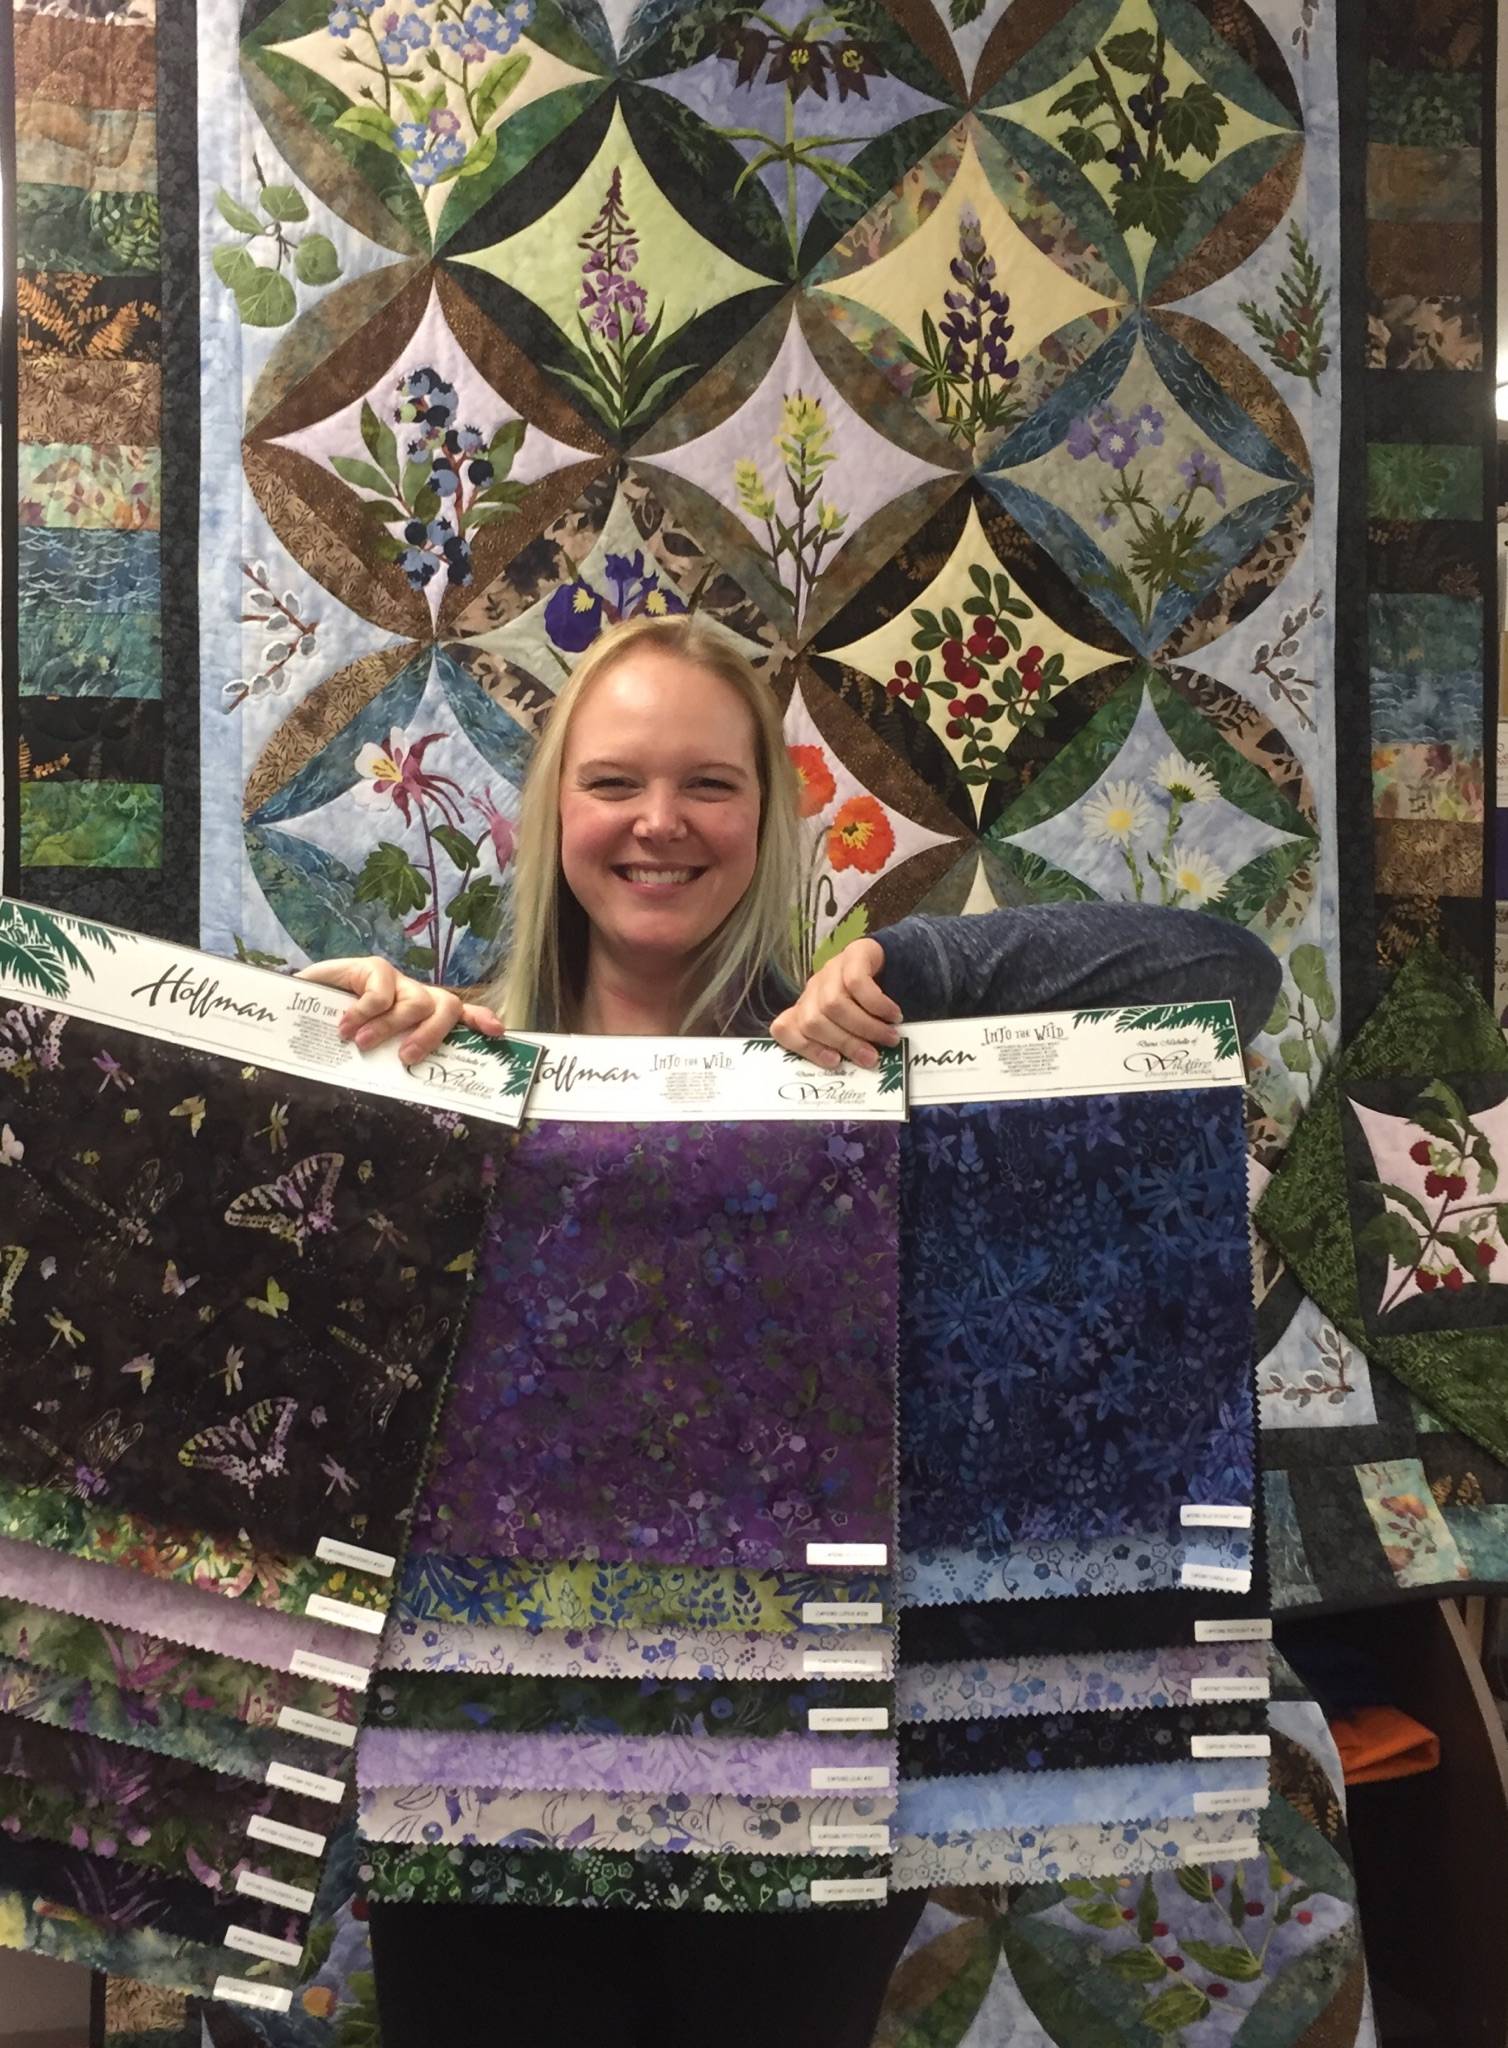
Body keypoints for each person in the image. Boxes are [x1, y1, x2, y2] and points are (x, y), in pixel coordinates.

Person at [301, 614, 1279, 2048]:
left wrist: (917, 972)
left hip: (806, 1758)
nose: (659, 823)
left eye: (710, 784)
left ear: (767, 820)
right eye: (614, 781)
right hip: (487, 1748)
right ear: (552, 812)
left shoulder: (852, 1067)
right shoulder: (448, 1069)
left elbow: (1221, 976)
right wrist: (339, 1062)